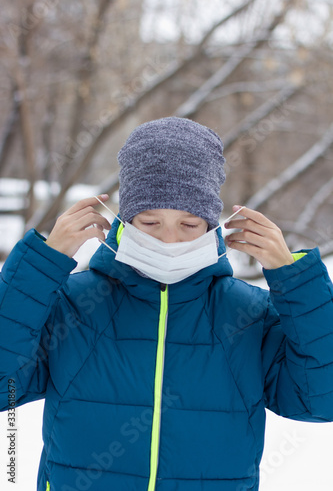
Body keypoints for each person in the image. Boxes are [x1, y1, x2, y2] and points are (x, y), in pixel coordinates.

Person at [0, 116, 333, 491]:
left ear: (211, 225)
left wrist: (295, 280)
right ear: (124, 221)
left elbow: (319, 400)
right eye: (150, 222)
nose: (169, 240)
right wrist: (40, 267)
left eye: (189, 225)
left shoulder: (249, 315)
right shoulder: (74, 305)